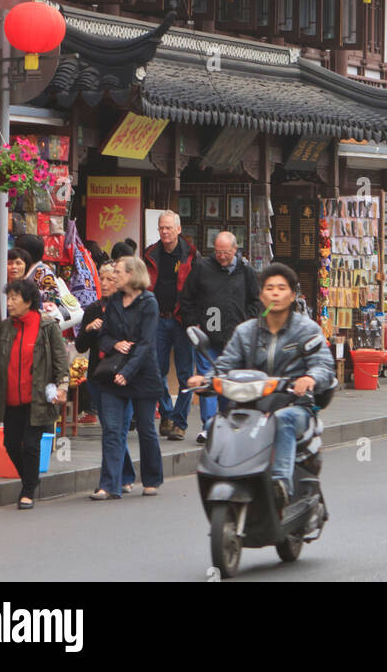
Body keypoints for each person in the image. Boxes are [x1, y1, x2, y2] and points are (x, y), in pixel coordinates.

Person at [195, 262, 335, 509]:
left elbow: (323, 365)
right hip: (252, 407)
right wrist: (206, 379)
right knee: (217, 423)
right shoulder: (245, 331)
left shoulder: (307, 330)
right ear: (260, 295)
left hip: (294, 405)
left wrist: (309, 378)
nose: (275, 293)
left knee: (283, 420)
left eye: (282, 288)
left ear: (293, 295)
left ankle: (281, 485)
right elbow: (224, 365)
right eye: (269, 288)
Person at [0, 277, 69, 508]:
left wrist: (62, 387)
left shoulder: (47, 325)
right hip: (10, 397)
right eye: (8, 298)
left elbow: (60, 361)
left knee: (31, 445)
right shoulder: (6, 326)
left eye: (14, 298)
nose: (9, 303)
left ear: (28, 300)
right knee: (11, 444)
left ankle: (28, 490)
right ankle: (30, 480)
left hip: (37, 398)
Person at [92, 256, 164, 499]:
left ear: (133, 275)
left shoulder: (149, 303)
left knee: (146, 429)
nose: (115, 277)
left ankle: (152, 478)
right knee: (112, 429)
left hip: (142, 373)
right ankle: (109, 484)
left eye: (119, 272)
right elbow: (103, 337)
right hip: (114, 373)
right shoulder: (113, 302)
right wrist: (116, 343)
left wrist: (128, 372)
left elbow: (146, 344)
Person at [180, 230, 261, 443]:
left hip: (235, 340)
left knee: (229, 382)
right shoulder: (202, 268)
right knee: (209, 378)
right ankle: (209, 426)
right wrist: (193, 323)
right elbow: (187, 297)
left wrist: (248, 324)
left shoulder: (246, 271)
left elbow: (256, 302)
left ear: (235, 250)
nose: (221, 256)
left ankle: (225, 422)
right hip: (208, 338)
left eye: (225, 252)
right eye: (217, 251)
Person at [144, 211, 199, 440]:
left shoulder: (191, 255)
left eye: (169, 228)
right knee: (157, 370)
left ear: (178, 229)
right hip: (157, 319)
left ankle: (180, 421)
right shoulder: (150, 255)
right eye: (161, 228)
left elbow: (199, 288)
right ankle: (166, 412)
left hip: (182, 320)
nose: (165, 232)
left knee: (187, 373)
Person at [74, 262, 125, 437]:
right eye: (101, 279)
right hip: (97, 374)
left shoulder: (125, 308)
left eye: (109, 279)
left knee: (115, 429)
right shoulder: (93, 309)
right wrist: (88, 329)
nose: (103, 284)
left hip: (118, 374)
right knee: (109, 427)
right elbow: (80, 346)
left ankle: (115, 463)